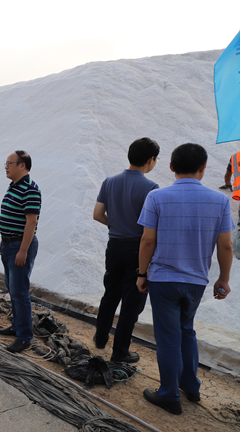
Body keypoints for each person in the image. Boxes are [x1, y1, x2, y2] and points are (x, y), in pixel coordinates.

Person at [137, 143, 234, 415]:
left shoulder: (157, 197)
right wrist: (223, 279)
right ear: (203, 167)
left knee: (168, 338)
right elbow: (226, 245)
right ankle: (191, 387)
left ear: (171, 167)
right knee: (187, 331)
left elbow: (147, 241)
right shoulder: (220, 201)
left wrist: (142, 273)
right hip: (196, 281)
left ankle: (169, 395)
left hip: (163, 280)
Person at [92, 137, 160, 363]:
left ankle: (100, 339)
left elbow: (97, 214)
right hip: (137, 248)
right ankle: (120, 352)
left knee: (110, 294)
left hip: (114, 245)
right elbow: (151, 229)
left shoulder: (109, 182)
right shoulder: (151, 188)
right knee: (132, 303)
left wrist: (115, 225)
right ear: (150, 160)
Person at [0, 151, 41, 353]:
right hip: (9, 244)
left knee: (20, 291)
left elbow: (31, 222)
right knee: (12, 288)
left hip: (20, 247)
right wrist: (4, 240)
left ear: (22, 165)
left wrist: (23, 250)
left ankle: (24, 337)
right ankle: (16, 326)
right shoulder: (14, 186)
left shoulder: (30, 189)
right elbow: (14, 217)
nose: (6, 167)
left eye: (9, 163)